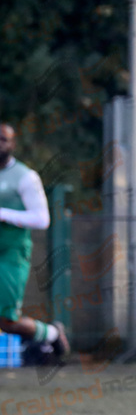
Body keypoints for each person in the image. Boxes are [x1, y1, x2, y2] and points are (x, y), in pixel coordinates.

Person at [0, 123, 69, 359]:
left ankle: (51, 334)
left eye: (3, 139)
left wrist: (3, 214)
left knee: (7, 321)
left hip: (11, 253)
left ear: (12, 144)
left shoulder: (25, 177)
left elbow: (42, 219)